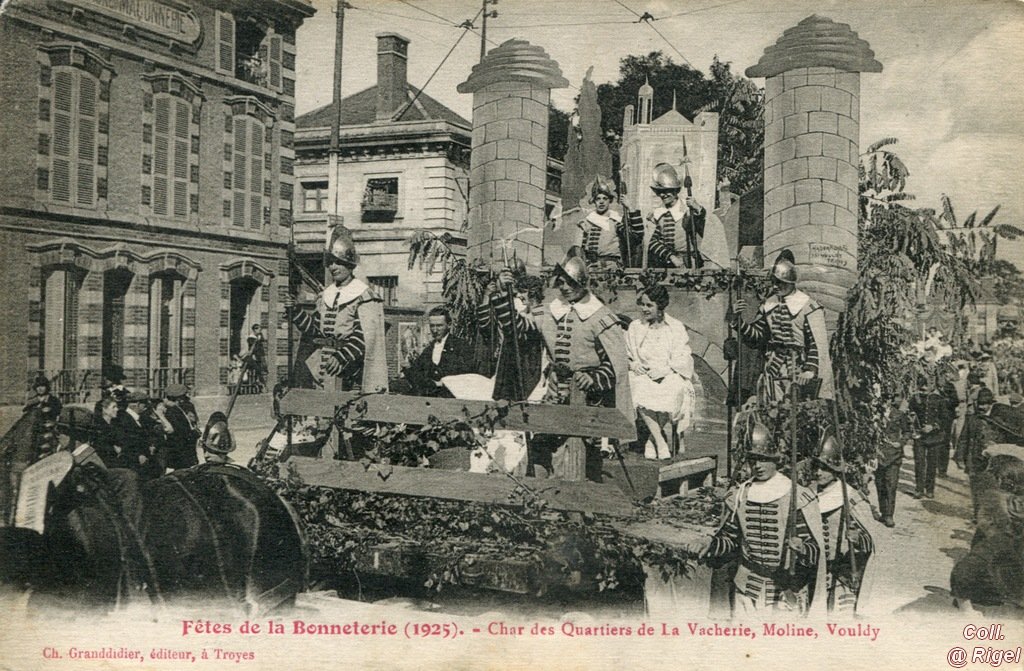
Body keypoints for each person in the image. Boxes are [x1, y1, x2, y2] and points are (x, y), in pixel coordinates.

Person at [698, 422, 825, 617]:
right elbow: (731, 540)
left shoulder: (797, 497)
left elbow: (816, 552)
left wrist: (802, 548)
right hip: (747, 589)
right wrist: (711, 543)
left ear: (775, 460)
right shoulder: (740, 495)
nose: (757, 466)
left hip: (785, 592)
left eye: (763, 459)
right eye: (753, 460)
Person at [531, 257, 632, 480]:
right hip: (556, 391)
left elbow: (615, 364)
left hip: (588, 398)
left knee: (583, 453)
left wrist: (593, 378)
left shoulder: (600, 316)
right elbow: (522, 332)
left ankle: (582, 505)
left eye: (570, 282)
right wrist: (501, 295)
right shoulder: (551, 311)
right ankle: (543, 499)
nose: (565, 288)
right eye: (561, 282)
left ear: (582, 283)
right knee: (541, 444)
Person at [286, 227, 388, 394]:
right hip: (320, 363)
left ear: (349, 264)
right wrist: (295, 311)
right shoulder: (327, 294)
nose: (333, 266)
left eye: (338, 262)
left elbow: (363, 335)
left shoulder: (364, 295)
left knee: (341, 410)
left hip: (350, 365)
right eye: (331, 262)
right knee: (320, 412)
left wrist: (342, 357)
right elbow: (315, 330)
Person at [732, 250, 834, 404]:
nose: (775, 286)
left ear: (790, 282)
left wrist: (810, 371)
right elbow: (759, 336)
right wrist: (738, 321)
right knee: (773, 410)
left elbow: (816, 344)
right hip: (774, 367)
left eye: (779, 282)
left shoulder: (808, 306)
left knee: (797, 414)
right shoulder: (769, 304)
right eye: (773, 282)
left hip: (799, 368)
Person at [625, 284, 696, 460]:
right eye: (642, 304)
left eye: (649, 305)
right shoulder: (635, 327)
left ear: (660, 306)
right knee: (638, 386)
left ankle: (651, 439)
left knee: (675, 388)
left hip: (668, 371)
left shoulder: (675, 327)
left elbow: (684, 357)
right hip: (643, 373)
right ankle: (660, 440)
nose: (644, 309)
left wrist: (665, 370)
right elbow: (625, 355)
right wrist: (634, 365)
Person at [815, 435, 874, 614]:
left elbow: (870, 541)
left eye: (825, 468)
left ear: (835, 470)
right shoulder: (807, 494)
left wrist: (857, 538)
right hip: (813, 574)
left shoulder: (851, 498)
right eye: (817, 467)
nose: (818, 472)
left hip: (841, 574)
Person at [476, 270, 547, 402]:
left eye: (522, 291)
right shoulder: (525, 311)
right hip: (512, 371)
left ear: (533, 292)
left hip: (530, 372)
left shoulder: (542, 314)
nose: (518, 295)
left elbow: (515, 327)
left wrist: (503, 293)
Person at [404, 306, 476, 397]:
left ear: (449, 325)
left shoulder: (461, 346)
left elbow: (467, 374)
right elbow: (416, 371)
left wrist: (444, 383)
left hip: (453, 399)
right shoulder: (428, 350)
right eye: (432, 326)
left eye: (439, 326)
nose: (435, 330)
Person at [910, 373, 957, 499]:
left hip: (935, 437)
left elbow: (945, 418)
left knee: (932, 463)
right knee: (919, 463)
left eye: (928, 386)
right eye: (923, 386)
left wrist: (933, 426)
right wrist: (913, 425)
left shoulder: (939, 400)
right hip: (919, 436)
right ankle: (919, 489)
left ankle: (929, 489)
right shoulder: (914, 398)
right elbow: (909, 414)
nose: (925, 389)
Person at [956, 387, 999, 517]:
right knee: (975, 488)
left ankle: (989, 513)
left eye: (985, 404)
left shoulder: (997, 420)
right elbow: (963, 438)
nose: (981, 407)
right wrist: (960, 458)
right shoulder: (972, 419)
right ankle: (977, 514)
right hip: (974, 458)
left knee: (991, 488)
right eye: (980, 404)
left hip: (991, 460)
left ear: (990, 404)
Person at [875, 397, 915, 527]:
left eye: (886, 400)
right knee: (880, 484)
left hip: (894, 455)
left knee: (891, 485)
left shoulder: (899, 415)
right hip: (879, 454)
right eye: (882, 400)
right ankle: (883, 511)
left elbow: (907, 432)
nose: (884, 403)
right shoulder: (875, 413)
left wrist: (901, 442)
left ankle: (889, 515)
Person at [577, 176, 630, 269]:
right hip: (591, 267)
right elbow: (581, 248)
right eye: (598, 199)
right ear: (594, 201)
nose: (601, 202)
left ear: (609, 201)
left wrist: (630, 208)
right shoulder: (587, 222)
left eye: (605, 199)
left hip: (611, 266)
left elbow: (633, 237)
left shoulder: (615, 221)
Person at [114, 390, 164, 481]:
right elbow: (124, 440)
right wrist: (138, 455)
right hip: (134, 463)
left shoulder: (141, 419)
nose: (147, 406)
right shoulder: (123, 419)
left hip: (144, 461)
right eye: (144, 403)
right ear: (137, 404)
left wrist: (152, 445)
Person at [155, 384, 199, 470]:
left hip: (187, 445)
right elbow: (178, 430)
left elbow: (193, 420)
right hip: (180, 447)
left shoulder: (186, 406)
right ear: (179, 398)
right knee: (182, 469)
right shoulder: (171, 411)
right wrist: (193, 433)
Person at [23, 375, 62, 459]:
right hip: (35, 431)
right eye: (38, 386)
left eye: (42, 386)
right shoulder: (33, 401)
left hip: (49, 430)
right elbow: (26, 415)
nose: (40, 389)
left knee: (49, 452)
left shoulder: (54, 400)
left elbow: (58, 414)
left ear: (47, 387)